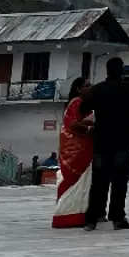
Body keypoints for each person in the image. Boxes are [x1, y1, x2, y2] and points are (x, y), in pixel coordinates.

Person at [80, 57, 129, 231]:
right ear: (122, 71)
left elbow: (83, 108)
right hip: (123, 141)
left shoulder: (98, 89)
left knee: (99, 180)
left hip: (101, 141)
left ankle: (92, 218)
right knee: (119, 181)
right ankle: (117, 218)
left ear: (107, 71)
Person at [52, 77, 96, 228]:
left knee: (83, 184)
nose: (90, 88)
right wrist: (90, 127)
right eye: (87, 86)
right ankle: (65, 216)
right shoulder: (76, 102)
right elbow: (72, 124)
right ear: (78, 89)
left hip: (85, 149)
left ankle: (80, 215)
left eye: (91, 85)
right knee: (72, 181)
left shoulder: (86, 105)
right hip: (74, 151)